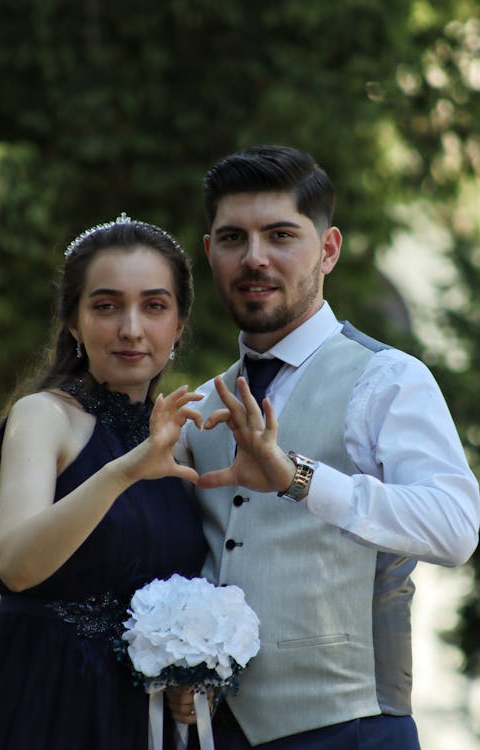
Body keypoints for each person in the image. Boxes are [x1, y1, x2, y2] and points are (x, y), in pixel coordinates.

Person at [171, 146, 480, 749]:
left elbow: (456, 528)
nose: (254, 257)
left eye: (280, 235)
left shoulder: (388, 379)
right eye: (233, 238)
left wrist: (297, 477)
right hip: (215, 736)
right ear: (211, 254)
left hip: (354, 728)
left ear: (329, 249)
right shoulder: (198, 411)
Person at [0, 214, 207, 749]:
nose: (131, 328)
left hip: (138, 717)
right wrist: (125, 470)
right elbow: (15, 565)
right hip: (43, 700)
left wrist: (196, 677)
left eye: (154, 306)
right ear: (74, 324)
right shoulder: (44, 417)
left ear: (178, 325)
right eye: (106, 306)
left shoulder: (185, 442)